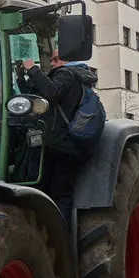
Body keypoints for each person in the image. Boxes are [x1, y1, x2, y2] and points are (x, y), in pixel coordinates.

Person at [17, 49, 98, 227]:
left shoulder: (68, 74)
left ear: (68, 60)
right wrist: (21, 78)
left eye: (56, 59)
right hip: (66, 145)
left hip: (57, 144)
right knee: (58, 193)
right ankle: (56, 234)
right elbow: (37, 97)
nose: (52, 64)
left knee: (51, 192)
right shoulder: (76, 77)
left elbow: (51, 92)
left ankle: (54, 237)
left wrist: (33, 69)